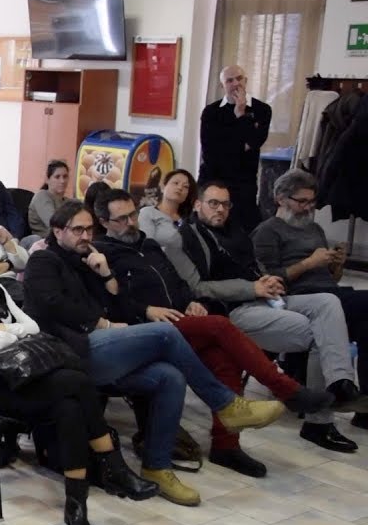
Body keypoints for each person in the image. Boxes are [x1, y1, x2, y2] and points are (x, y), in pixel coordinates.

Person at [24, 200, 289, 506]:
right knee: (166, 332)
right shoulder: (44, 261)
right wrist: (105, 324)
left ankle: (157, 466)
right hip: (73, 352)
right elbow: (53, 305)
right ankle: (226, 404)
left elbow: (120, 304)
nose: (85, 235)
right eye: (77, 230)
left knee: (170, 376)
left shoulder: (88, 261)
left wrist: (107, 275)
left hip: (103, 346)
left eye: (88, 229)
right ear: (58, 231)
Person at [93, 187, 332, 476]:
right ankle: (287, 389)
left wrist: (190, 301)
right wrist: (145, 310)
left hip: (178, 319)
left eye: (132, 214)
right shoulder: (102, 254)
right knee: (220, 325)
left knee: (223, 355)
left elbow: (177, 283)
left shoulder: (149, 245)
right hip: (144, 329)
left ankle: (226, 446)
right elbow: (109, 301)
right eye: (121, 219)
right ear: (104, 222)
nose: (130, 223)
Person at [0, 225, 155, 525]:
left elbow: (32, 325)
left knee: (70, 406)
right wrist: (11, 331)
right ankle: (113, 466)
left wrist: (8, 329)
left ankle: (76, 504)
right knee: (76, 382)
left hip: (18, 375)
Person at [175, 181, 368, 455]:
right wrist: (252, 287)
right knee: (320, 333)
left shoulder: (236, 231)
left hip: (268, 298)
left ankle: (340, 383)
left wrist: (267, 280)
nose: (220, 210)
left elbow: (256, 267)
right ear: (197, 204)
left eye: (226, 204)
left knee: (329, 302)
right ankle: (319, 421)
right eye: (213, 203)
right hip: (234, 308)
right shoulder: (188, 237)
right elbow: (198, 287)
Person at [252, 169, 368, 432]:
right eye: (301, 201)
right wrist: (308, 263)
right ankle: (341, 388)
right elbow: (268, 280)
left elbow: (329, 279)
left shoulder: (314, 229)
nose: (307, 208)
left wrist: (336, 265)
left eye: (311, 202)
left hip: (329, 294)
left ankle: (362, 405)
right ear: (281, 199)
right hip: (297, 299)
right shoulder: (267, 232)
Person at [199, 65, 271, 231]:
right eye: (229, 80)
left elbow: (252, 144)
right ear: (222, 85)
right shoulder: (211, 112)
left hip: (243, 182)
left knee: (244, 230)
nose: (235, 83)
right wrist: (240, 145)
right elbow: (210, 152)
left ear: (246, 81)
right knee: (209, 227)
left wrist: (241, 114)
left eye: (239, 78)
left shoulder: (262, 110)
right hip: (213, 178)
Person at [137, 169, 196, 251]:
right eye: (176, 183)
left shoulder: (190, 219)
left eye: (185, 186)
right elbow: (146, 247)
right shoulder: (148, 213)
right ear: (163, 187)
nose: (180, 187)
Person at [27, 160, 70, 239]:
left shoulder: (68, 201)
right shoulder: (41, 196)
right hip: (43, 241)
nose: (62, 181)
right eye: (57, 177)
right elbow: (54, 223)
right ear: (47, 179)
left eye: (65, 176)